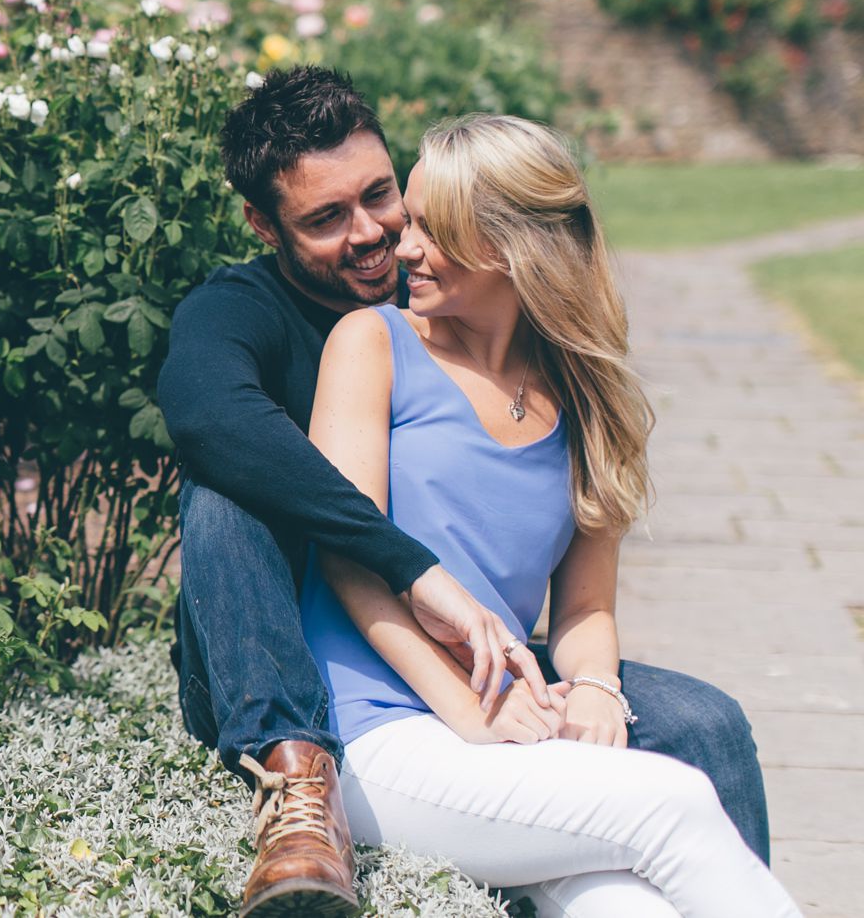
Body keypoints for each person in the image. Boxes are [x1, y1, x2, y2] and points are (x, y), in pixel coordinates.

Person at [157, 69, 769, 918]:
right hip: (332, 670)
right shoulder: (308, 324)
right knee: (229, 485)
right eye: (328, 218)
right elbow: (215, 427)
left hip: (479, 653)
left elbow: (586, 605)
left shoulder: (564, 384)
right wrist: (418, 577)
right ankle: (297, 779)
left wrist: (586, 691)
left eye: (385, 198)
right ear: (266, 225)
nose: (380, 238)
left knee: (699, 740)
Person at [299, 112, 797, 916]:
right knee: (676, 806)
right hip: (374, 735)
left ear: (508, 247)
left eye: (435, 230)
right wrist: (469, 712)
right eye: (412, 221)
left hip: (508, 739)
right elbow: (351, 562)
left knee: (623, 904)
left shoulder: (583, 396)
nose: (405, 247)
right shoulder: (373, 343)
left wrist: (596, 688)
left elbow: (588, 605)